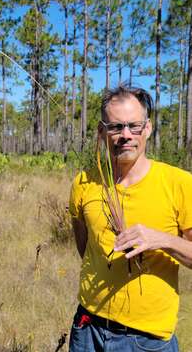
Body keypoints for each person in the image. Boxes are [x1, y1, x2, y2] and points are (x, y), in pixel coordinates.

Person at [69, 85, 192, 352]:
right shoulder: (84, 182)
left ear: (147, 128)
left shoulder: (179, 183)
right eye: (115, 127)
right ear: (102, 132)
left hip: (147, 339)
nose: (126, 135)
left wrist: (161, 239)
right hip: (88, 328)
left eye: (134, 126)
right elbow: (86, 247)